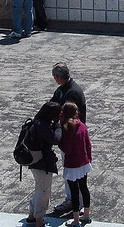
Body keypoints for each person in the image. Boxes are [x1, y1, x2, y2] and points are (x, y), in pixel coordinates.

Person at [49, 62, 87, 217]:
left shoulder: (71, 93)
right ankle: (74, 199)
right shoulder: (63, 90)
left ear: (58, 77)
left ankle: (74, 200)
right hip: (70, 136)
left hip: (71, 138)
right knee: (72, 170)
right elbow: (52, 105)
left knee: (72, 171)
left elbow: (65, 115)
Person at [24, 101, 62, 227]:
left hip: (34, 160)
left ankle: (31, 216)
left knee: (39, 188)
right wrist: (58, 126)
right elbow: (55, 139)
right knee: (44, 191)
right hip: (42, 163)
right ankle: (39, 221)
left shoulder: (36, 121)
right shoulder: (43, 126)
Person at [58, 101, 93, 227]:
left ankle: (76, 220)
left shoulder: (67, 127)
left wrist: (59, 142)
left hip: (72, 164)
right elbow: (88, 144)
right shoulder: (82, 125)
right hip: (83, 162)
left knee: (74, 192)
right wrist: (89, 158)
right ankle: (86, 214)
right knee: (84, 188)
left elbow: (66, 149)